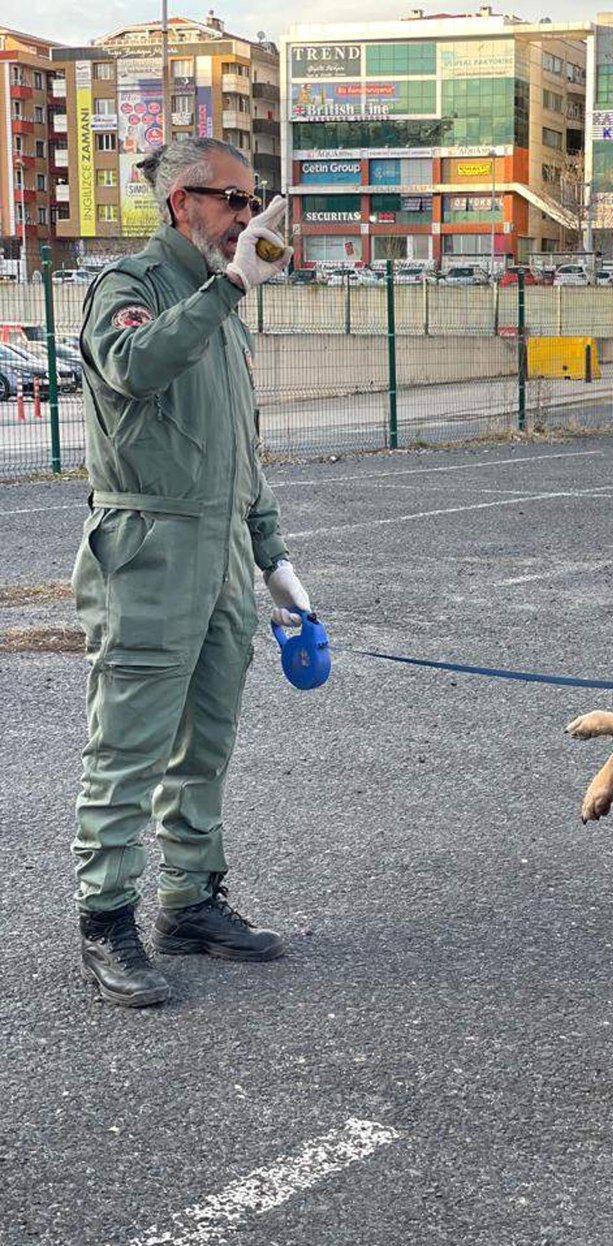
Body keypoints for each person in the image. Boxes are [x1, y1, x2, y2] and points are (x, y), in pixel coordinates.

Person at [72, 137, 312, 1008]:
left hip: (222, 558)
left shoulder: (222, 301)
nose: (248, 217)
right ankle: (106, 921)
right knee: (127, 748)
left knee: (205, 743)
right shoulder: (132, 287)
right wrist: (230, 287)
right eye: (234, 200)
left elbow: (239, 447)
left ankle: (190, 902)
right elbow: (134, 368)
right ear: (183, 201)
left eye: (254, 202)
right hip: (149, 552)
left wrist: (271, 551)